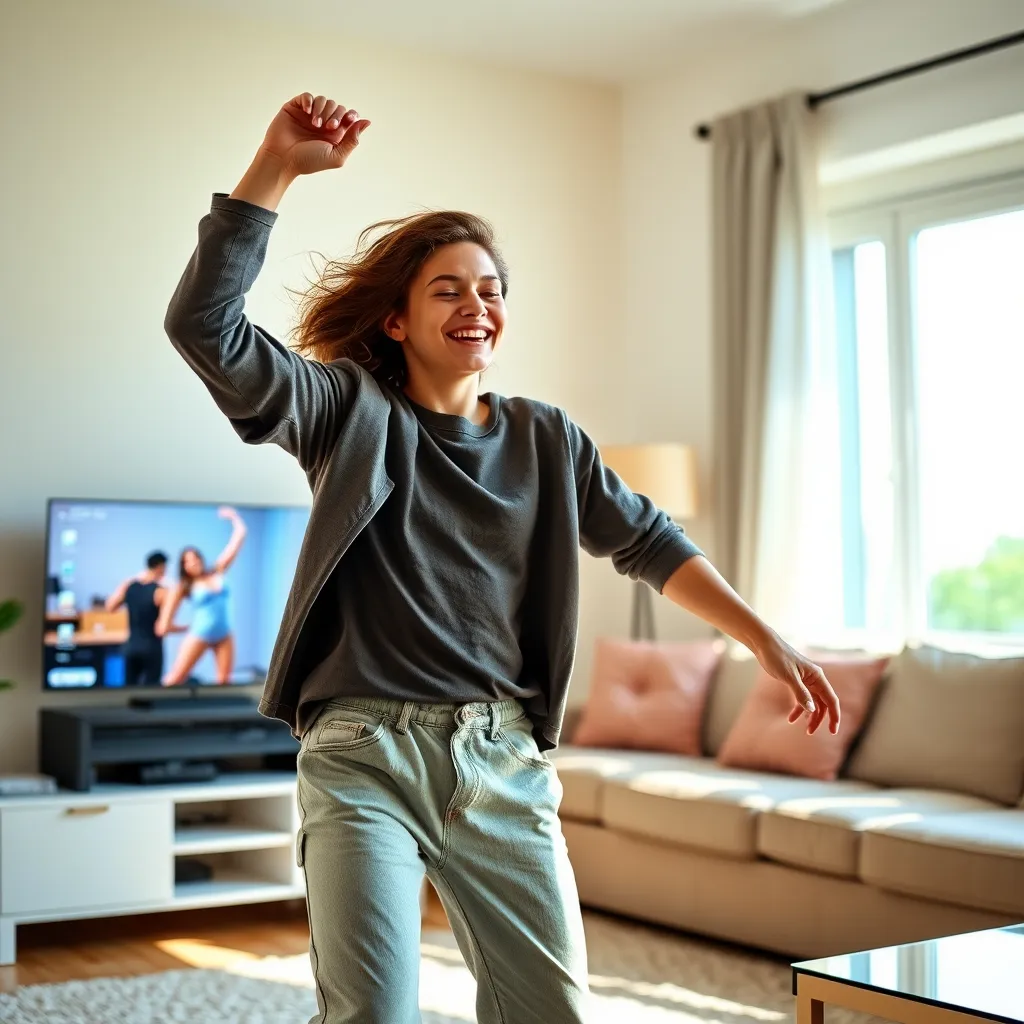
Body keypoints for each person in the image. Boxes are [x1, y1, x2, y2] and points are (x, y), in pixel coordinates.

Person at [163, 92, 842, 1024]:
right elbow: (208, 330)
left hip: (501, 759)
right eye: (448, 288)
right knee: (373, 1016)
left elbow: (648, 539)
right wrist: (276, 166)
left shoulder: (547, 441)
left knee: (551, 1012)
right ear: (397, 320)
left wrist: (766, 640)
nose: (477, 305)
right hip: (363, 754)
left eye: (490, 290)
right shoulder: (348, 412)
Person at [156, 506, 247, 685]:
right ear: (183, 567)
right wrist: (186, 628)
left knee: (224, 682)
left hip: (224, 634)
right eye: (188, 561)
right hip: (200, 633)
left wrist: (234, 518)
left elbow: (239, 537)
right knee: (175, 679)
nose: (193, 562)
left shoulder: (217, 571)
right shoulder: (182, 587)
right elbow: (163, 627)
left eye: (195, 557)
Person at [105, 550, 182, 686]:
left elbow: (110, 606)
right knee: (151, 692)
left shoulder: (130, 586)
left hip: (130, 647)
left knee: (129, 691)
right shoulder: (161, 592)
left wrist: (129, 582)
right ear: (161, 567)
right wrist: (185, 628)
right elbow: (162, 628)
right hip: (152, 649)